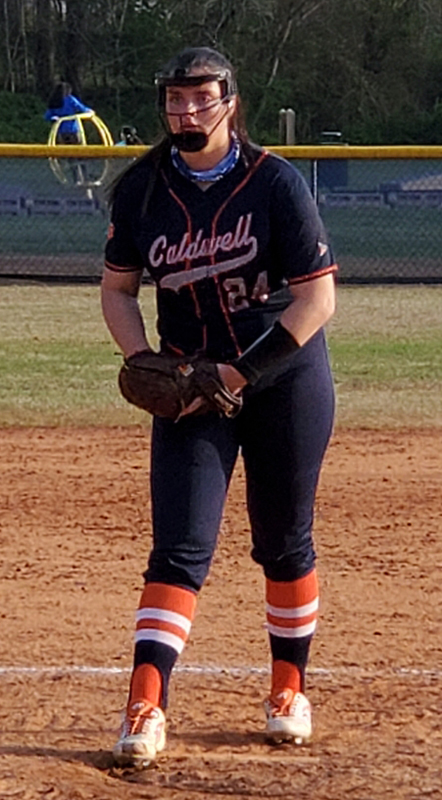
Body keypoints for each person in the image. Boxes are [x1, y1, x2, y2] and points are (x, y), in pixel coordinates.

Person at [101, 46, 337, 769]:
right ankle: (146, 703)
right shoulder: (141, 188)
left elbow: (316, 299)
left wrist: (245, 371)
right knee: (178, 545)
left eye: (201, 97)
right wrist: (143, 360)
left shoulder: (276, 184)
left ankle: (288, 690)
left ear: (229, 102)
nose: (185, 110)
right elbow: (118, 289)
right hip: (192, 385)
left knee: (283, 541)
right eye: (175, 98)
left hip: (283, 379)